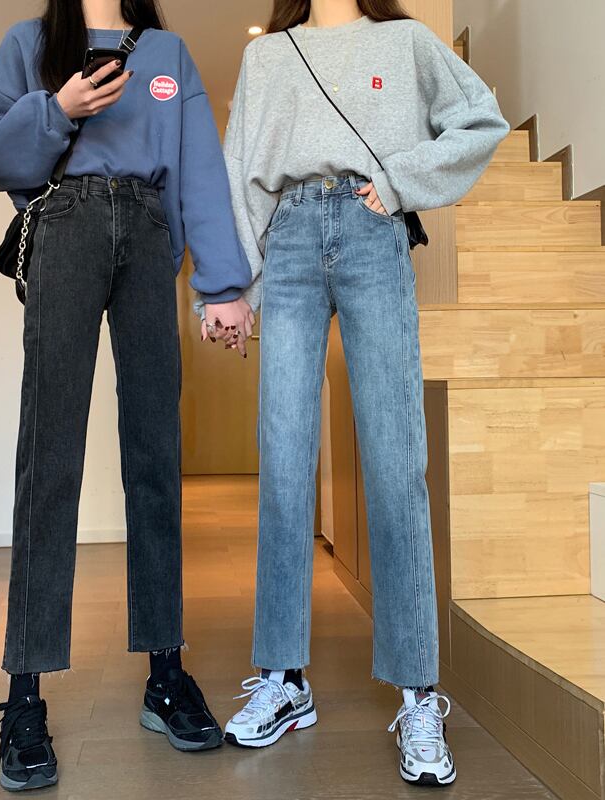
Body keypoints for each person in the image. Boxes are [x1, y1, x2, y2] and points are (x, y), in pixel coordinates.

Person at [0, 0, 254, 791]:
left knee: (155, 454)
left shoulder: (167, 52)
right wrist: (56, 108)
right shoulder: (30, 42)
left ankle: (166, 673)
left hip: (150, 233)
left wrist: (222, 283)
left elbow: (199, 168)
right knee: (48, 457)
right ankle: (24, 694)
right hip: (65, 226)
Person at [219, 0, 509, 786]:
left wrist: (398, 180)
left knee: (394, 462)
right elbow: (240, 171)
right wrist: (232, 286)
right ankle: (284, 679)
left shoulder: (407, 41)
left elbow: (481, 120)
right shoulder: (268, 56)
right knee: (284, 462)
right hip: (288, 238)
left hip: (373, 233)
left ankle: (418, 694)